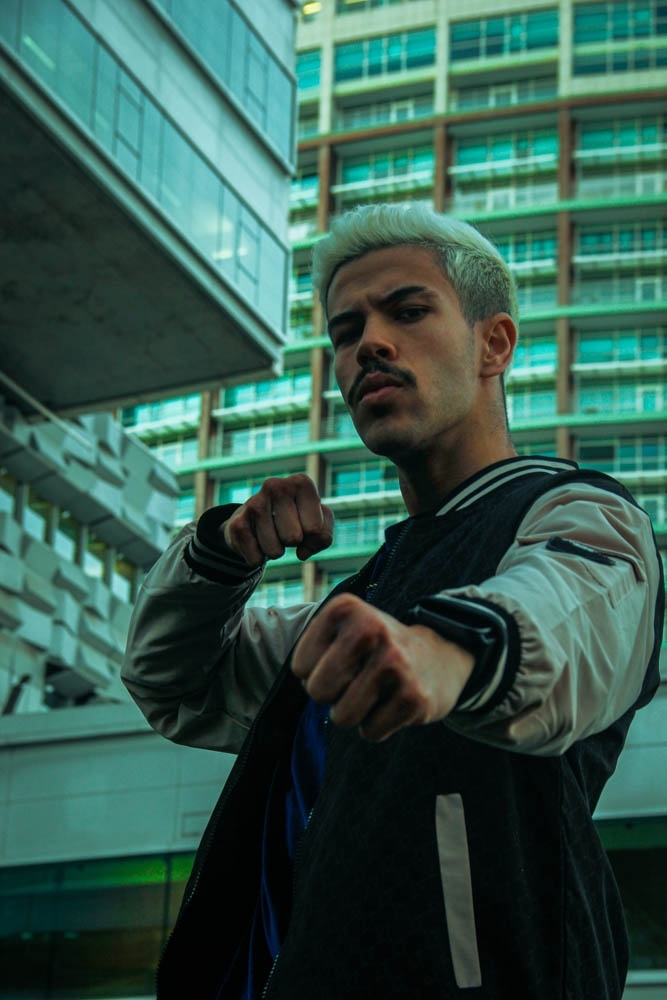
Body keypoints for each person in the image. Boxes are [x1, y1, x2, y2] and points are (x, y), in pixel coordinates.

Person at [122, 202, 664, 999]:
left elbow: (568, 613)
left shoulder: (575, 512)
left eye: (408, 312)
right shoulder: (359, 604)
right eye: (346, 331)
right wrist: (218, 555)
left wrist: (447, 653)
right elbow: (175, 683)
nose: (368, 343)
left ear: (494, 344)